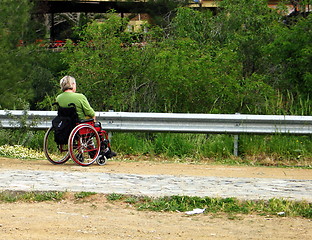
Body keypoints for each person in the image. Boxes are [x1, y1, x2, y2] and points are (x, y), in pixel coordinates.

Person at [56, 75, 116, 159]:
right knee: (97, 127)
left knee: (87, 127)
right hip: (80, 124)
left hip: (66, 125)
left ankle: (91, 148)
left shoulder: (59, 98)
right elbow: (90, 112)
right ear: (72, 84)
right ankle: (104, 150)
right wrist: (93, 116)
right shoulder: (80, 97)